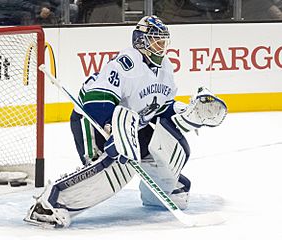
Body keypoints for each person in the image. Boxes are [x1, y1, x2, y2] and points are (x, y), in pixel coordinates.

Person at [24, 15, 227, 228]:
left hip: (131, 125)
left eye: (164, 41)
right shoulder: (126, 64)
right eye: (157, 41)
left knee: (166, 146)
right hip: (92, 121)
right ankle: (49, 204)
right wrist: (110, 129)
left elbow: (161, 109)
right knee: (114, 166)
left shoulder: (165, 68)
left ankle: (157, 194)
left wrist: (185, 113)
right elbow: (97, 100)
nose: (162, 46)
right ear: (142, 41)